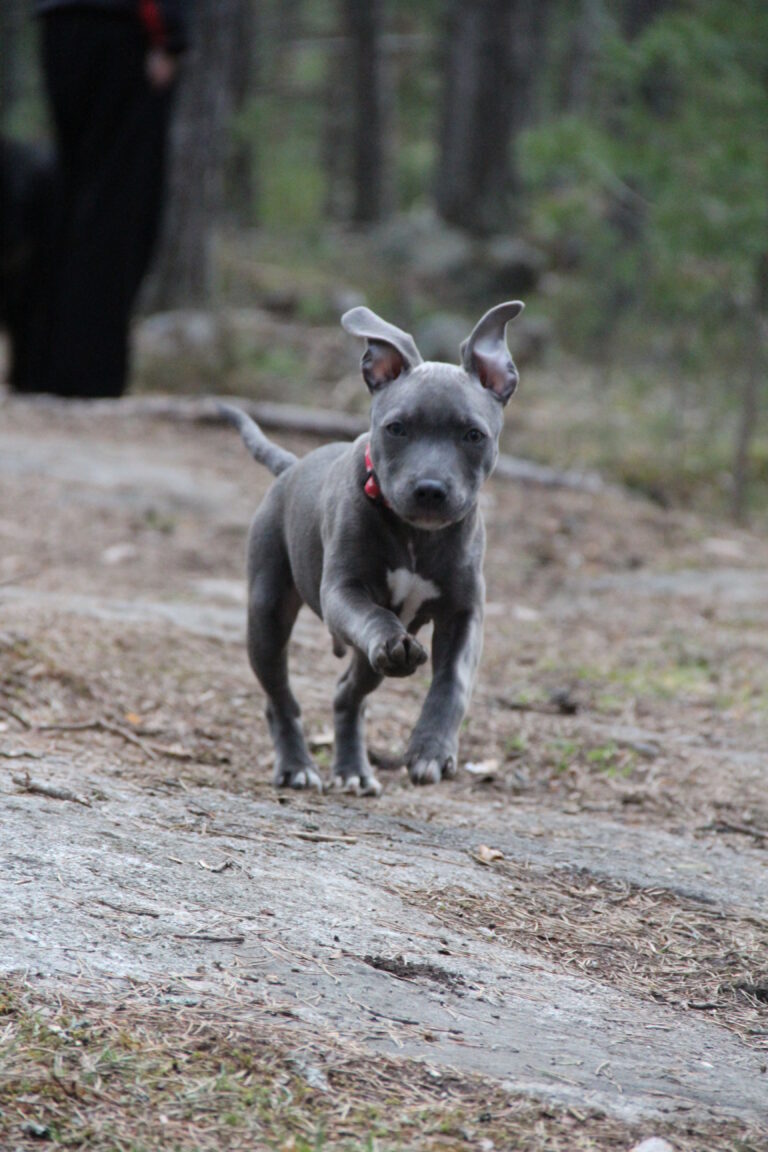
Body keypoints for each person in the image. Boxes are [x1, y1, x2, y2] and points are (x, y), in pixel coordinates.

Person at [35, 0, 192, 397]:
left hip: (58, 23)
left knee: (69, 196)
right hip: (125, 29)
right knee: (119, 208)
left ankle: (39, 368)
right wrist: (167, 34)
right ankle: (88, 379)